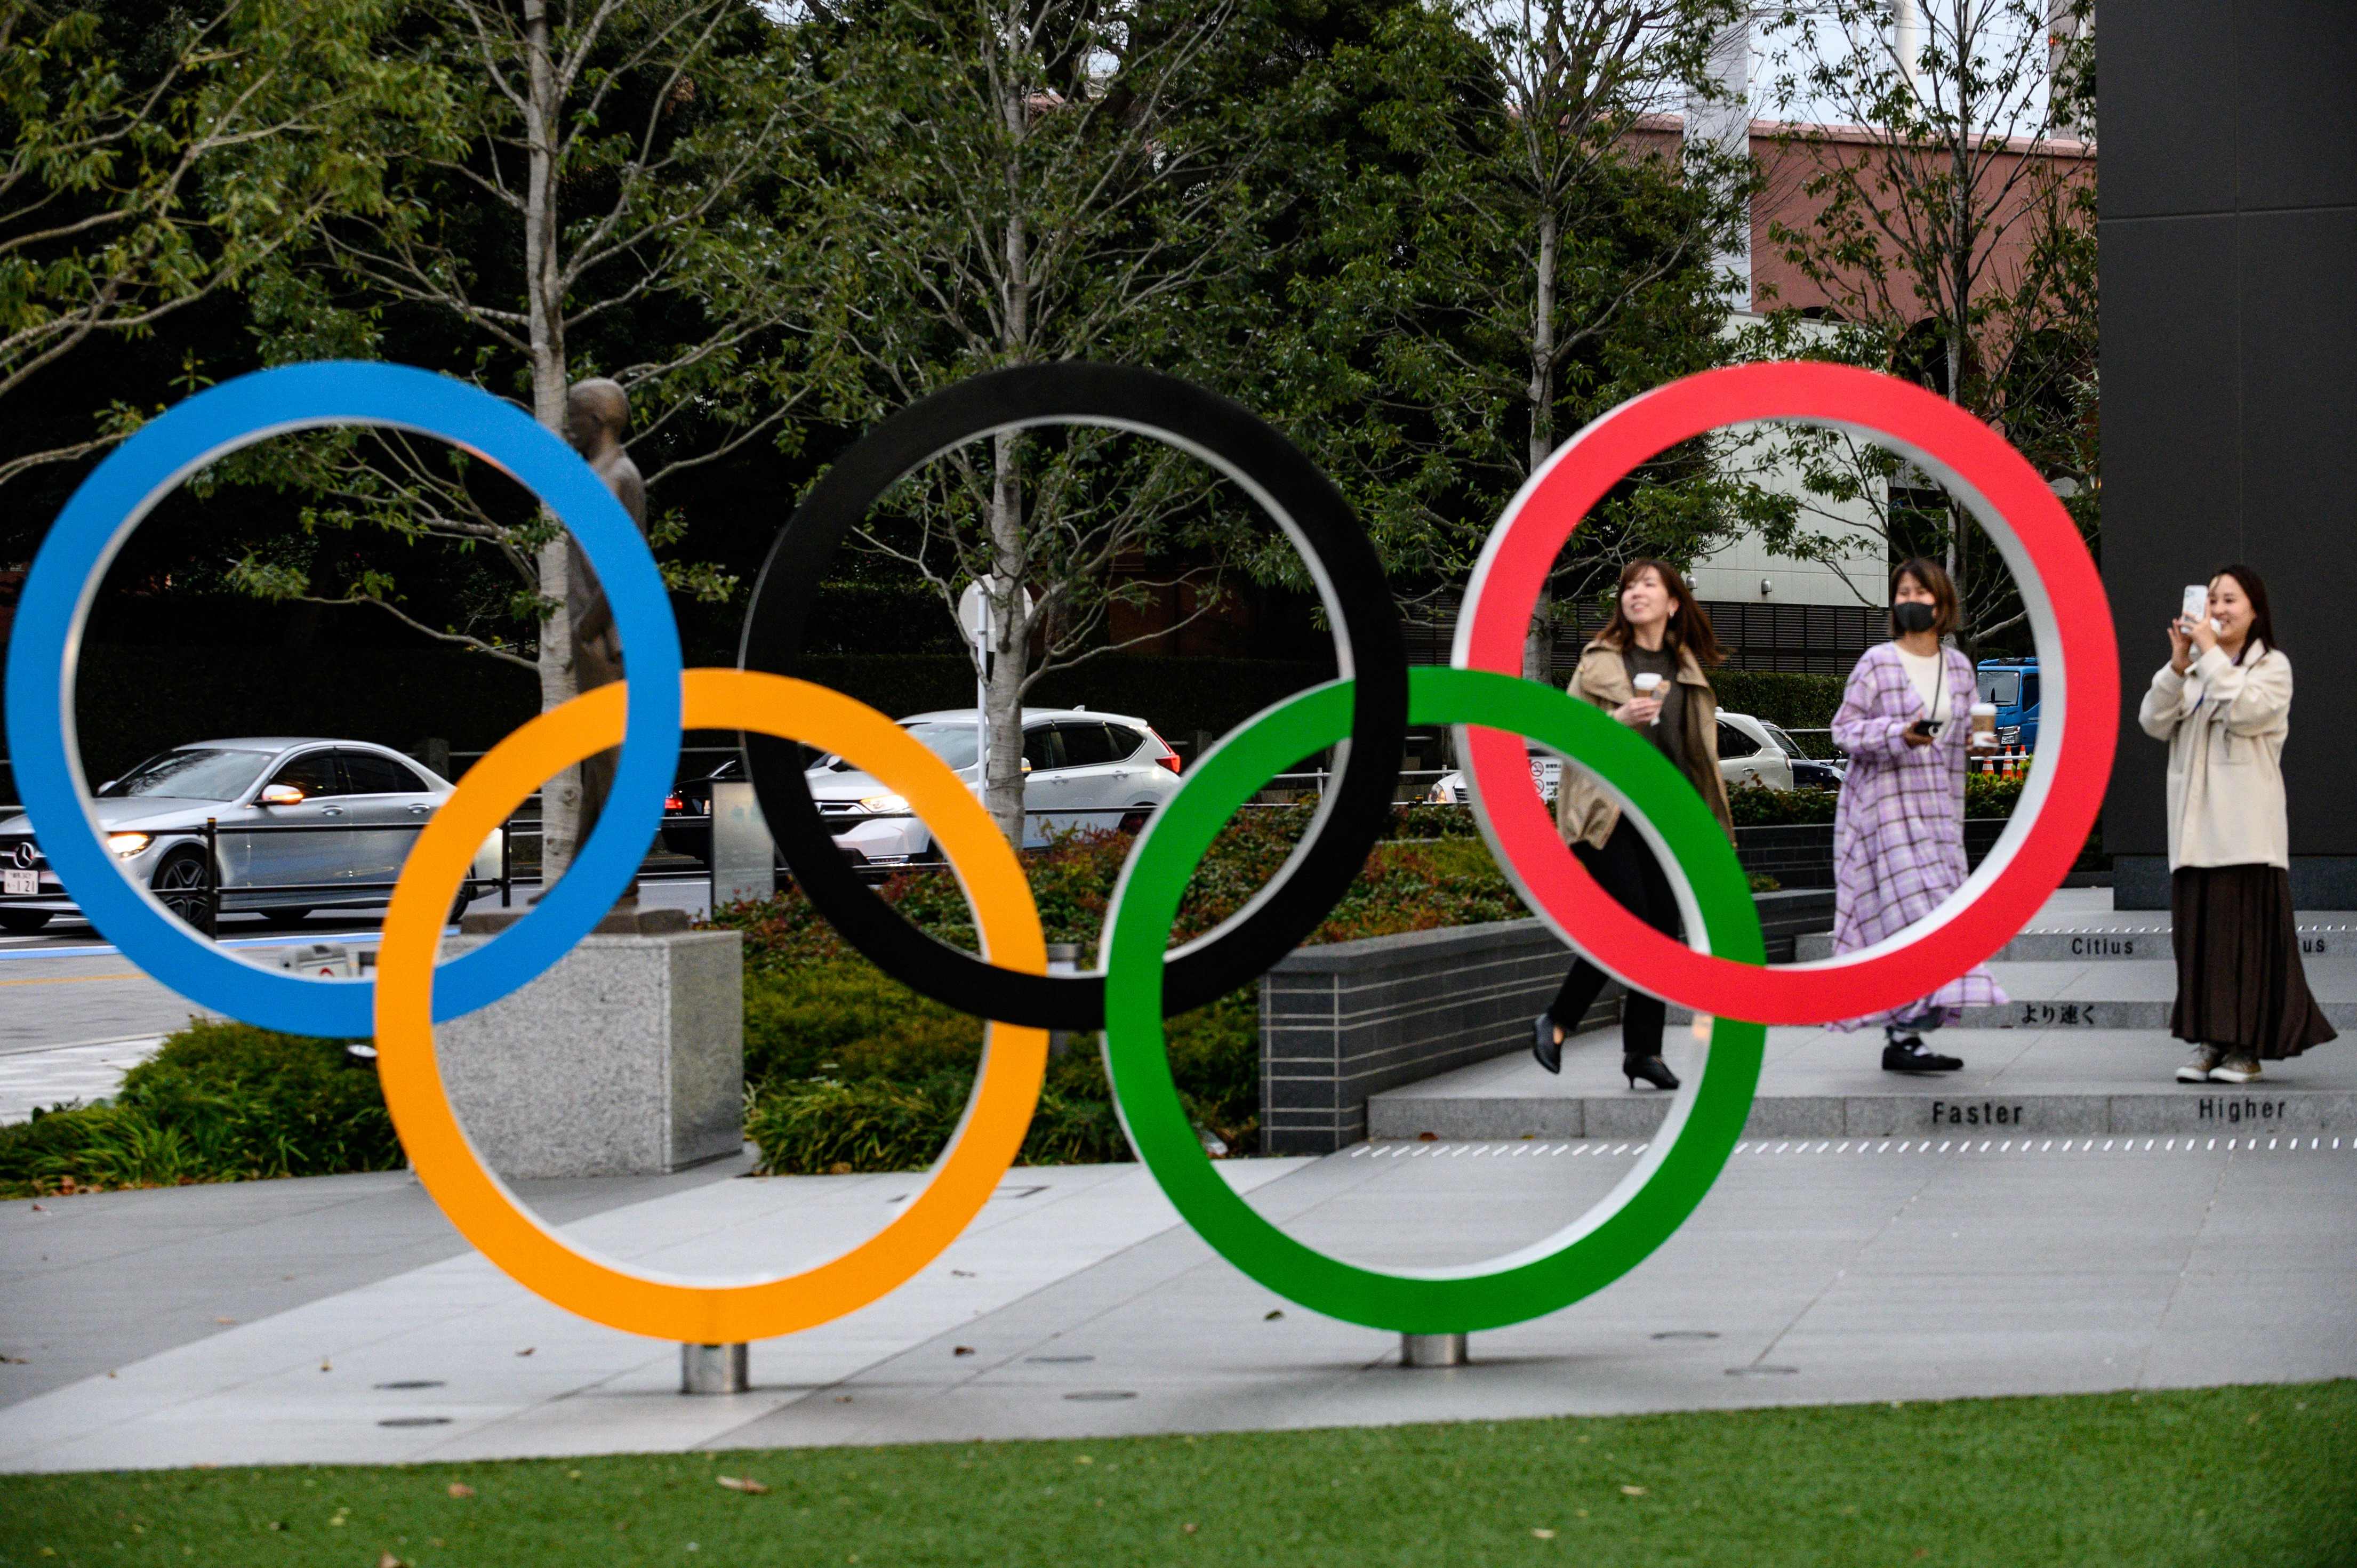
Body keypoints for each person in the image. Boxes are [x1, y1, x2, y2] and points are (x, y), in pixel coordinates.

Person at [1530, 560, 1735, 1091]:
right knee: (1633, 923)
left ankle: (1642, 1051)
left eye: (1648, 584)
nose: (1635, 592)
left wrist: (1707, 826)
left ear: (1672, 603)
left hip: (1666, 818)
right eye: (1628, 586)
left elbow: (1696, 757)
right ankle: (1558, 1018)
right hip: (1607, 814)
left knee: (1661, 934)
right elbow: (1561, 735)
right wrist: (1612, 723)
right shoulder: (1600, 661)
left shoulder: (1685, 667)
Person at [2139, 565, 2335, 1083]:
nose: (2219, 610)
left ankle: (2243, 1051)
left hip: (2245, 837)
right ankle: (2209, 1043)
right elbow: (2152, 722)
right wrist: (2179, 665)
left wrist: (2210, 659)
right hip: (2193, 835)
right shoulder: (2197, 670)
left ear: (2254, 609)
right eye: (2213, 600)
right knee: (2199, 946)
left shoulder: (2271, 667)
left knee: (2243, 947)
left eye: (2230, 600)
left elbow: (2249, 712)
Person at [1828, 559, 2006, 1071]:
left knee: (1940, 922)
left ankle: (1909, 1033)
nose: (1911, 599)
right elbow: (1844, 730)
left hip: (1938, 813)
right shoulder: (1877, 663)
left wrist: (1978, 745)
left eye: (1921, 591)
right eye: (1902, 591)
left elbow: (1967, 740)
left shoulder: (1958, 669)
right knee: (1911, 916)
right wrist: (1896, 733)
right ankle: (1903, 1034)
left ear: (1941, 602)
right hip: (1883, 810)